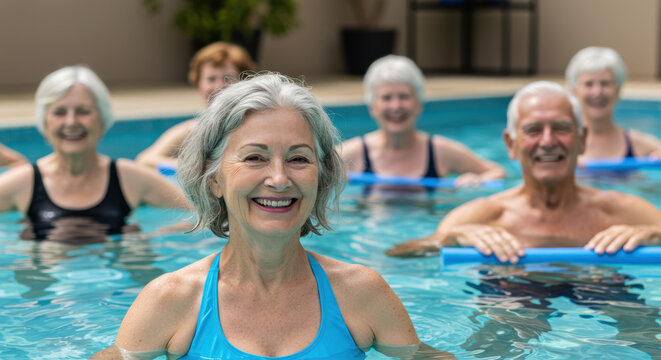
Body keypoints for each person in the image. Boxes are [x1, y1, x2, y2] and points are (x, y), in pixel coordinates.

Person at [91, 73, 455, 359]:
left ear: (321, 175)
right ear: (213, 178)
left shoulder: (361, 293)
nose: (279, 179)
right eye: (255, 158)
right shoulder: (171, 299)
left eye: (298, 158)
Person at [387, 81, 661, 260]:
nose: (547, 141)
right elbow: (401, 254)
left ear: (582, 140)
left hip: (604, 289)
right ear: (511, 144)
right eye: (533, 130)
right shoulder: (483, 216)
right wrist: (451, 238)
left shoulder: (623, 212)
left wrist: (653, 234)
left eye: (561, 128)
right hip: (512, 296)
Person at [0, 65, 190, 242]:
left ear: (102, 118)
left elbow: (197, 214)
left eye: (83, 111)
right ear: (44, 121)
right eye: (59, 112)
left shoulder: (131, 178)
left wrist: (150, 238)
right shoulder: (23, 182)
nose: (71, 122)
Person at [337, 55, 505, 188]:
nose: (396, 106)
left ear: (419, 104)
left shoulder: (441, 151)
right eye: (386, 98)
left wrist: (475, 180)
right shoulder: (351, 154)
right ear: (372, 107)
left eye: (404, 97)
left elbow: (497, 172)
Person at [136, 42, 257, 170]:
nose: (219, 86)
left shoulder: (257, 125)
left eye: (228, 78)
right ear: (198, 85)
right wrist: (192, 168)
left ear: (244, 82)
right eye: (211, 79)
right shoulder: (192, 131)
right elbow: (144, 160)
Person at [566, 46, 661, 163]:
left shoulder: (641, 146)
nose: (597, 92)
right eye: (589, 84)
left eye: (605, 83)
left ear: (618, 89)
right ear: (574, 91)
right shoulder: (561, 145)